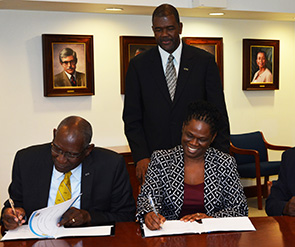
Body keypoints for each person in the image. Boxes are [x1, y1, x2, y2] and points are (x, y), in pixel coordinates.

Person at [122, 4, 230, 184]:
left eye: (170, 28)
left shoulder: (204, 62)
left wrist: (222, 157)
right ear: (153, 30)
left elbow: (218, 114)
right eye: (159, 30)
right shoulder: (138, 66)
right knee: (159, 212)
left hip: (199, 157)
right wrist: (140, 156)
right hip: (155, 161)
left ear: (180, 27)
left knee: (198, 210)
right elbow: (132, 118)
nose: (164, 34)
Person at [1, 116, 136, 230]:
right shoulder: (27, 161)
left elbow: (126, 215)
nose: (61, 159)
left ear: (88, 150)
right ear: (54, 135)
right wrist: (9, 216)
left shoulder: (110, 165)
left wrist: (89, 217)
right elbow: (14, 205)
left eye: (71, 155)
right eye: (57, 149)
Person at [136, 101, 247, 230]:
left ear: (212, 138)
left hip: (212, 237)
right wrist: (149, 214)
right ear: (183, 127)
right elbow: (146, 199)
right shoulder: (161, 160)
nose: (194, 143)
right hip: (170, 235)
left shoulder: (224, 162)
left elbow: (240, 208)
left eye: (202, 139)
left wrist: (211, 220)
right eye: (190, 135)